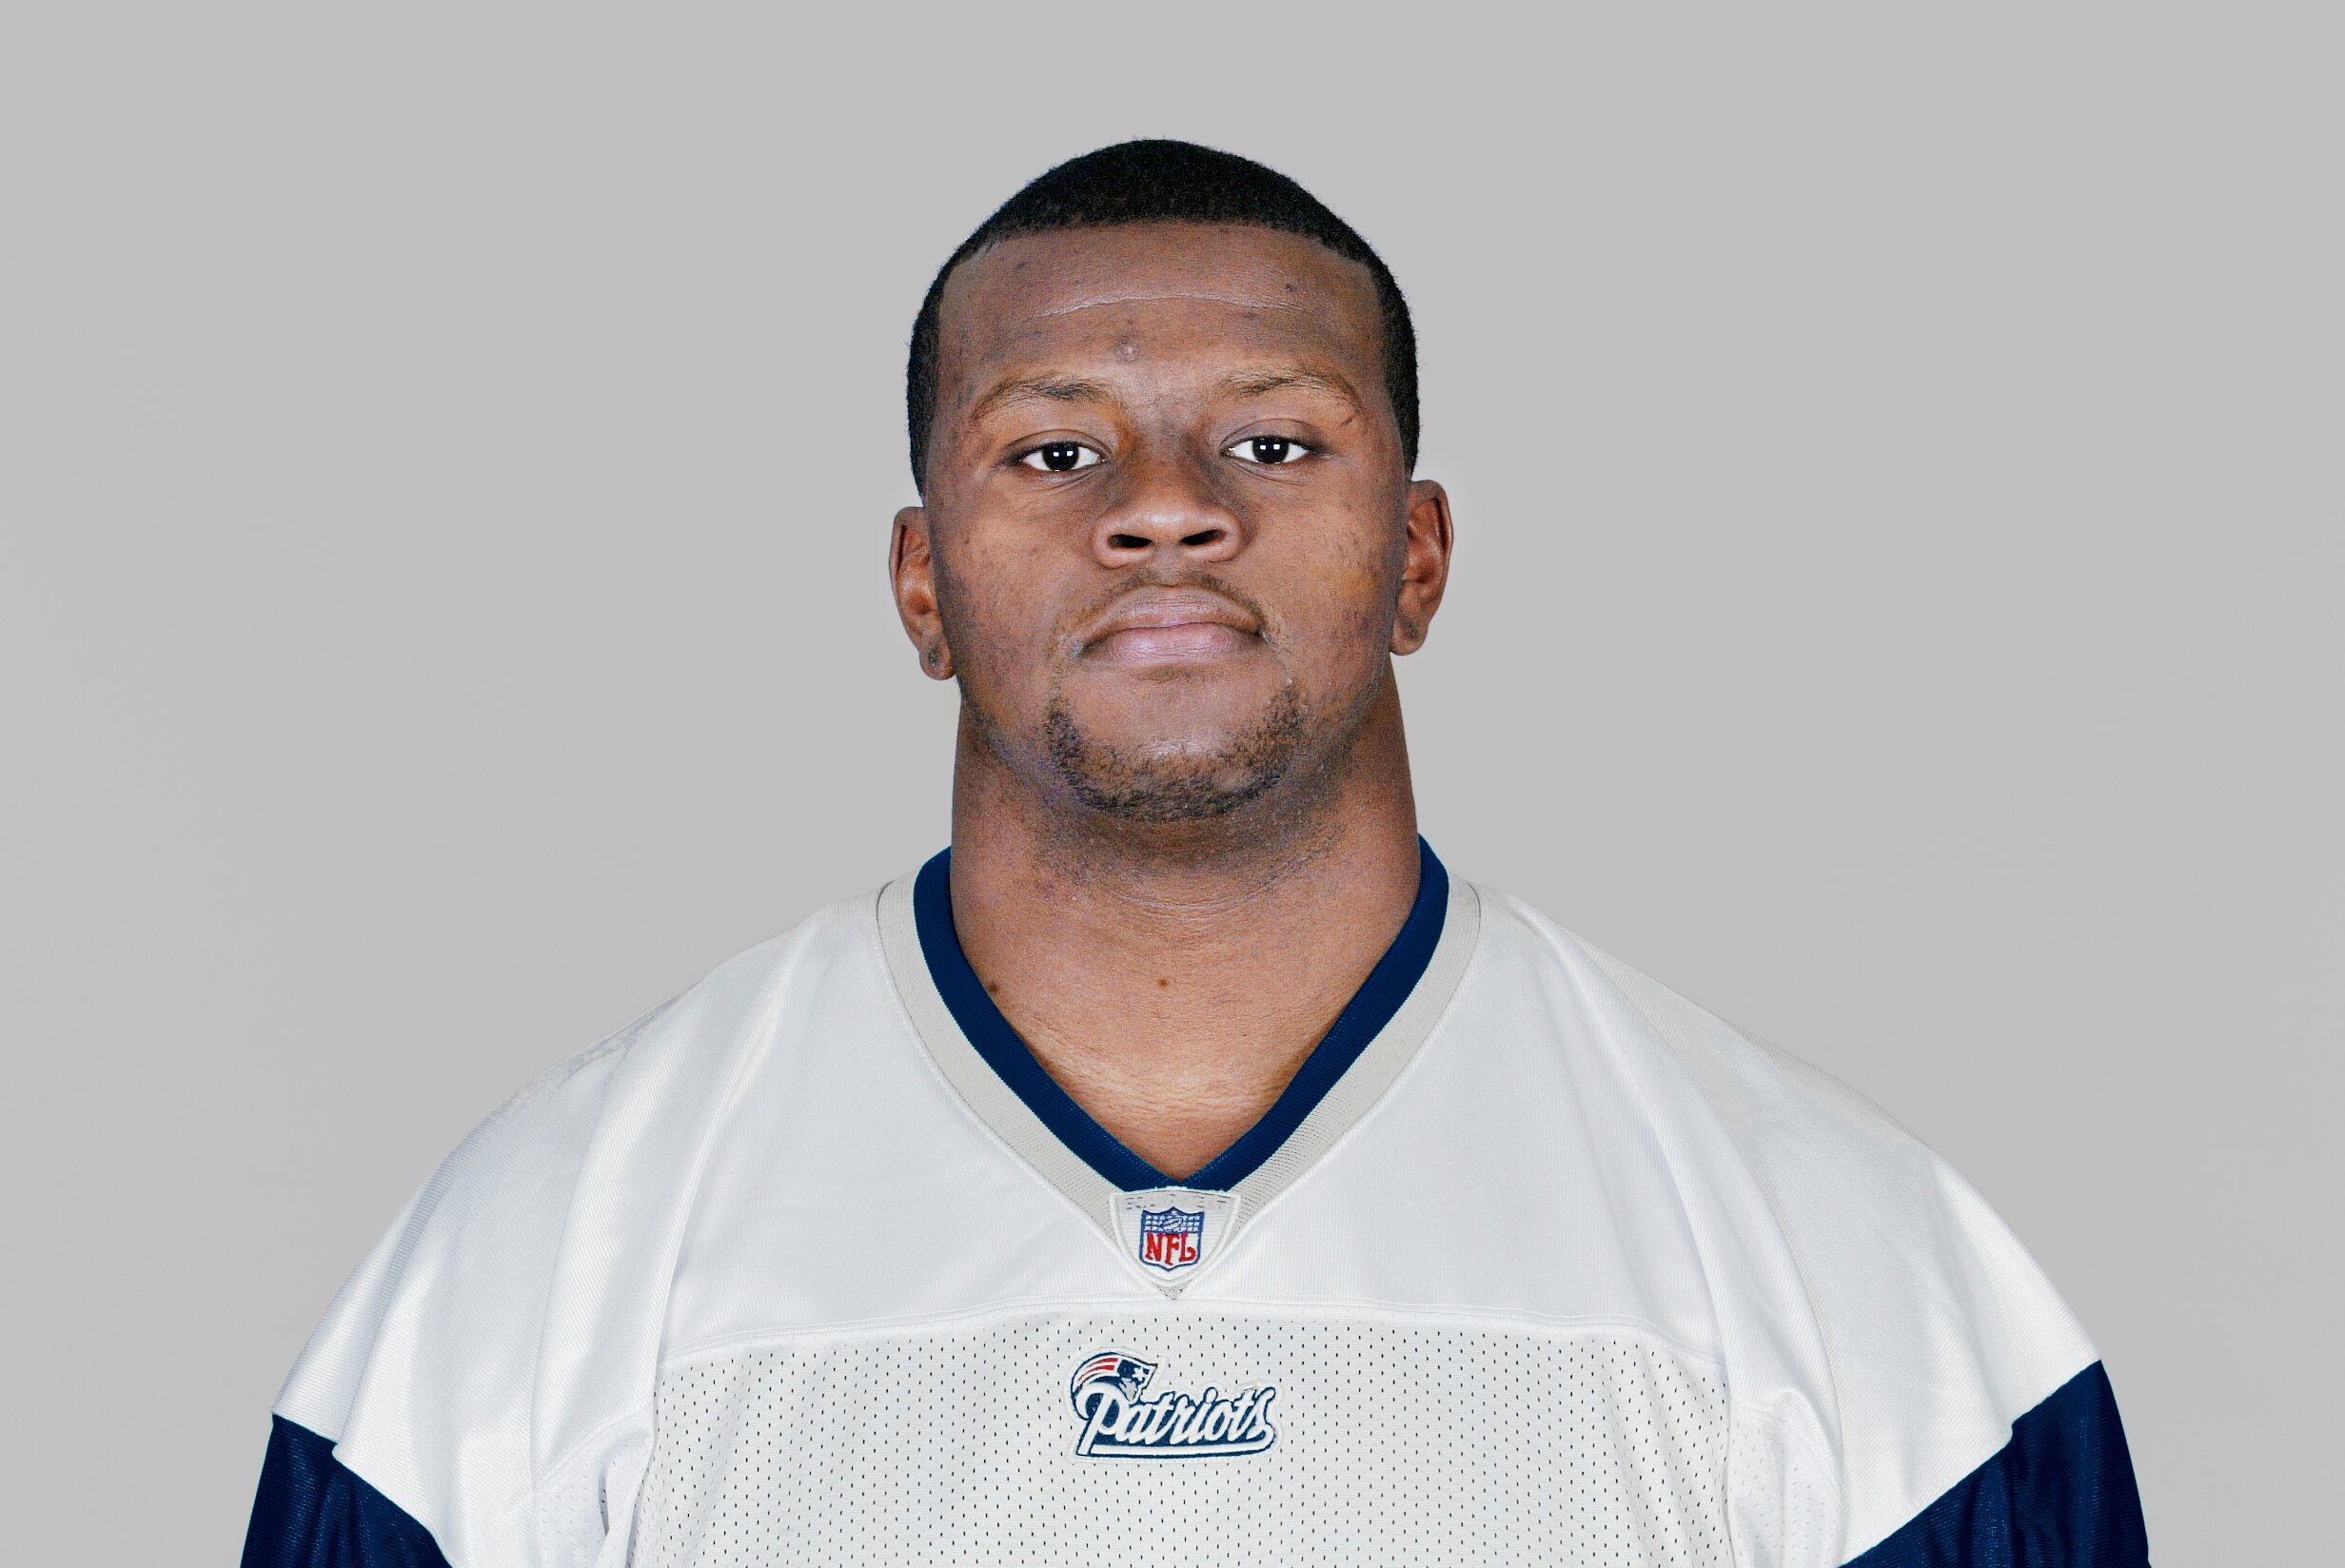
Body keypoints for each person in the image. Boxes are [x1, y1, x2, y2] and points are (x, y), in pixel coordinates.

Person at [242, 139, 2149, 1567]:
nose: (1165, 510)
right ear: (921, 581)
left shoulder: (1861, 1279)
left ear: (1416, 553)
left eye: (1272, 444)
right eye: (1053, 454)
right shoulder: (532, 1264)